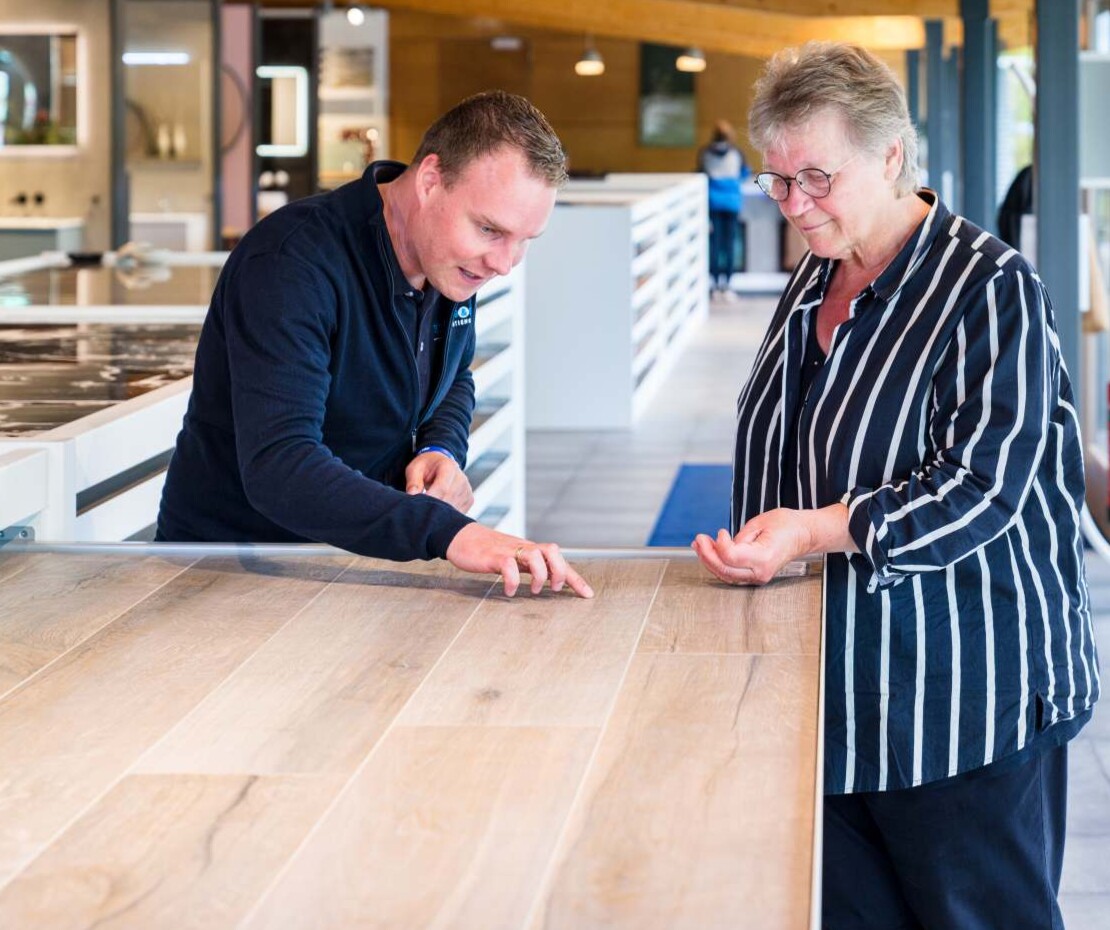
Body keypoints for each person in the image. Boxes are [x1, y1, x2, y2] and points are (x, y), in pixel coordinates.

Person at [693, 43, 1098, 928]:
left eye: (815, 178)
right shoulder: (819, 271)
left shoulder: (990, 287)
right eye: (777, 181)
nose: (794, 205)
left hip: (961, 701)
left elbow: (982, 487)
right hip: (828, 696)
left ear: (890, 157)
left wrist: (810, 530)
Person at [157, 91, 592, 599]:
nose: (504, 263)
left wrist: (441, 448)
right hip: (231, 575)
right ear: (430, 181)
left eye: (524, 241)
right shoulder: (288, 264)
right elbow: (280, 465)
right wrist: (447, 532)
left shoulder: (446, 261)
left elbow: (453, 377)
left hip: (357, 567)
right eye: (491, 229)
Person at [697, 118, 748, 297]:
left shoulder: (705, 153)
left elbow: (700, 173)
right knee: (729, 244)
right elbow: (744, 173)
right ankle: (727, 284)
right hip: (732, 203)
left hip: (712, 203)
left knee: (714, 244)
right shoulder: (736, 153)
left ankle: (714, 283)